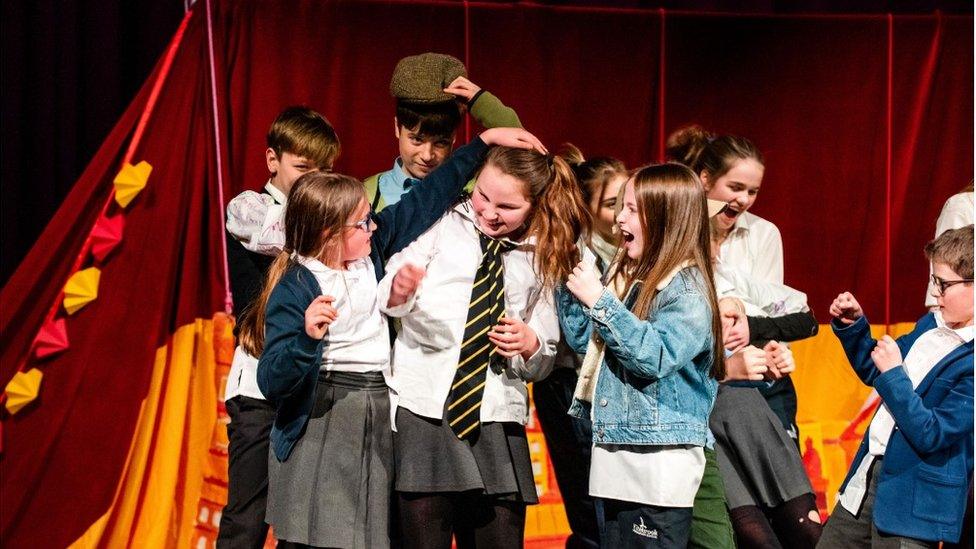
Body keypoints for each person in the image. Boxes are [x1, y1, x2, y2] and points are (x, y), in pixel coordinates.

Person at [243, 127, 545, 549]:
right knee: (312, 533)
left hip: (377, 408)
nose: (373, 224)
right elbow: (273, 379)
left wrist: (481, 143)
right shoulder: (298, 284)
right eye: (361, 221)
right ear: (330, 233)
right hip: (324, 409)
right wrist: (306, 340)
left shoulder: (373, 249)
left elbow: (428, 196)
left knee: (368, 535)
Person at [377, 145, 590, 549]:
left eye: (507, 206)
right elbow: (392, 281)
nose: (488, 212)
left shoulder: (542, 253)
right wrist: (399, 290)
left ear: (534, 205)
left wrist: (529, 344)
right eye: (482, 196)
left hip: (493, 417)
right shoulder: (443, 220)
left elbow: (543, 352)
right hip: (426, 408)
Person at [557, 163, 724, 548]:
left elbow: (653, 355)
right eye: (621, 207)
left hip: (657, 467)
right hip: (616, 457)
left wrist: (599, 299)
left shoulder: (687, 289)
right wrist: (569, 275)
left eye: (632, 209)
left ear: (665, 218)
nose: (619, 219)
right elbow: (587, 343)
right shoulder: (633, 275)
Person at [218, 106, 340, 549]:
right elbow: (279, 232)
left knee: (301, 522)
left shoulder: (330, 220)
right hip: (256, 390)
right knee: (246, 519)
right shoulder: (249, 207)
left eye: (324, 170)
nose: (314, 178)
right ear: (273, 160)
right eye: (303, 167)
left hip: (311, 387)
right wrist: (335, 224)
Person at [818, 226, 974, 547]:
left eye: (944, 285)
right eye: (933, 281)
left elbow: (932, 433)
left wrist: (893, 375)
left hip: (914, 501)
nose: (934, 294)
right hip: (867, 481)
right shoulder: (929, 325)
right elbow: (875, 371)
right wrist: (854, 328)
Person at [667, 125, 802, 441]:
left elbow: (773, 309)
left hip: (757, 371)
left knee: (785, 476)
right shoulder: (677, 233)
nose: (743, 200)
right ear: (705, 179)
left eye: (752, 192)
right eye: (735, 187)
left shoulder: (763, 234)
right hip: (700, 376)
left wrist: (774, 349)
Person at [532, 146, 627, 548]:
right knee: (594, 512)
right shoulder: (575, 252)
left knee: (621, 511)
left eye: (628, 201)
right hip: (572, 389)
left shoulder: (629, 251)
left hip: (612, 389)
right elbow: (578, 333)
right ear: (585, 210)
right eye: (611, 204)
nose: (623, 213)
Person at [364, 52, 521, 211]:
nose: (427, 156)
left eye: (440, 143)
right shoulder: (365, 195)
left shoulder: (473, 188)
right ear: (397, 127)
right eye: (417, 140)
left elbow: (528, 155)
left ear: (454, 137)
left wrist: (480, 102)